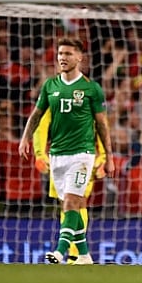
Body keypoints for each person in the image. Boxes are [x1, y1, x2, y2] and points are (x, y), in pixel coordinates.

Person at [18, 37, 115, 265]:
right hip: (57, 154)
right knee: (73, 205)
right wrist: (25, 139)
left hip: (83, 154)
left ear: (80, 58)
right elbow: (37, 115)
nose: (63, 57)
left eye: (69, 54)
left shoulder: (91, 88)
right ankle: (83, 255)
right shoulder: (50, 85)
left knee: (72, 201)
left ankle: (61, 251)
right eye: (61, 53)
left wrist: (109, 157)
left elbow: (102, 124)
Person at [33, 109, 106, 264]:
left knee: (76, 202)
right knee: (67, 205)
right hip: (59, 157)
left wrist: (104, 159)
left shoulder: (89, 95)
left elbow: (102, 127)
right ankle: (83, 254)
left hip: (84, 158)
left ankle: (66, 252)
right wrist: (40, 154)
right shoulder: (54, 95)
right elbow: (40, 124)